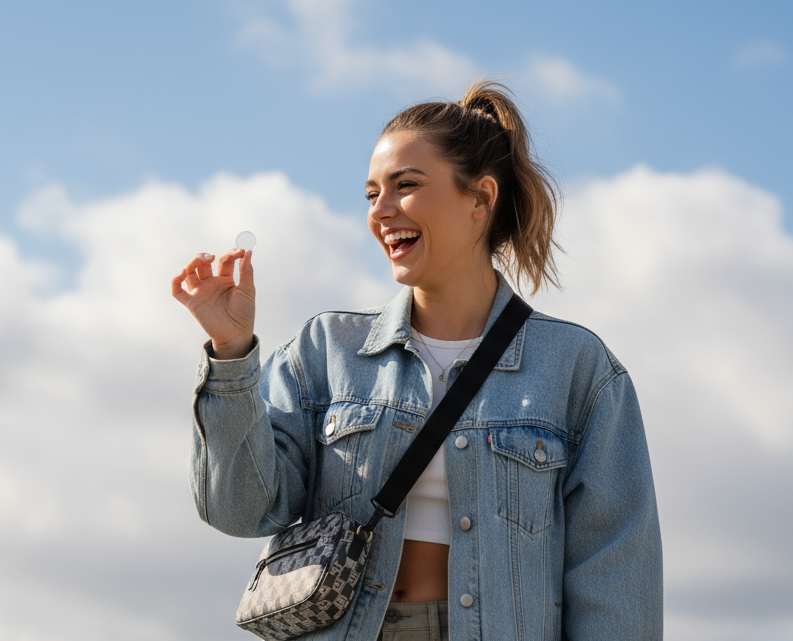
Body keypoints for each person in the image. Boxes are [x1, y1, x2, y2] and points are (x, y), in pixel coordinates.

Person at [171, 81, 662, 641]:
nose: (380, 211)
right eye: (371, 193)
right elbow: (238, 510)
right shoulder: (327, 350)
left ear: (480, 199)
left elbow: (617, 578)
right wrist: (232, 353)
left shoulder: (579, 371)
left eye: (405, 186)